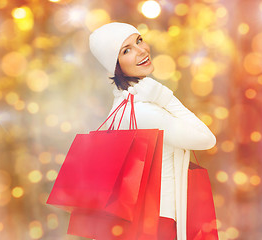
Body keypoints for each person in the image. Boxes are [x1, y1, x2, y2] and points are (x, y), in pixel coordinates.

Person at [89, 22, 216, 240]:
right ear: (114, 64)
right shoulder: (142, 111)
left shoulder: (122, 105)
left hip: (143, 221)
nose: (141, 51)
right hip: (158, 223)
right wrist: (164, 95)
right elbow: (207, 139)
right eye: (126, 50)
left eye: (139, 40)